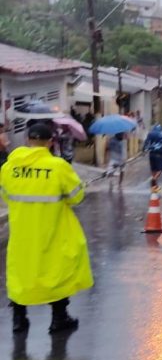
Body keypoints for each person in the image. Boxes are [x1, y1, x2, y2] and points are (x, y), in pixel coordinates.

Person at [0, 122, 93, 334]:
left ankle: (19, 320)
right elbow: (76, 196)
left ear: (26, 140)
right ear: (51, 143)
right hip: (53, 231)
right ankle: (59, 319)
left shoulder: (9, 167)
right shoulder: (58, 167)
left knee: (20, 275)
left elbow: (5, 195)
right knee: (57, 273)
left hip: (22, 233)